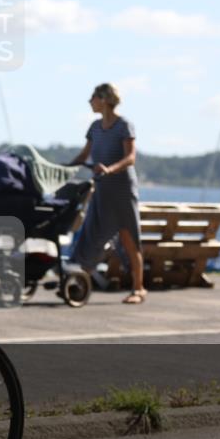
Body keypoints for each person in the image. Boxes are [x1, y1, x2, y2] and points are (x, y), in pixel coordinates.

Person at [67, 83, 147, 304]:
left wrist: (109, 169)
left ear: (103, 99)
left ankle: (139, 289)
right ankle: (78, 281)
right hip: (102, 189)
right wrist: (64, 169)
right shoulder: (94, 127)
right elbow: (84, 155)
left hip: (122, 189)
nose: (90, 101)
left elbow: (130, 157)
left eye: (93, 97)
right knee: (92, 234)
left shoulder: (124, 126)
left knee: (129, 238)